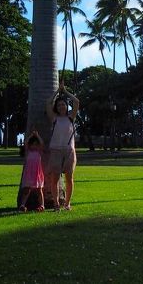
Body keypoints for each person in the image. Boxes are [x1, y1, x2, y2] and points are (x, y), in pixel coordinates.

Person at [46, 80, 79, 211]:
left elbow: (76, 102)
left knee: (69, 178)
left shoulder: (71, 117)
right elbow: (48, 103)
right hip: (55, 151)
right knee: (54, 179)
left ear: (66, 106)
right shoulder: (54, 118)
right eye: (59, 105)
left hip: (69, 151)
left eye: (63, 105)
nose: (61, 107)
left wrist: (64, 91)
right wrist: (57, 92)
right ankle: (56, 204)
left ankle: (67, 203)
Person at [18, 131, 45, 212]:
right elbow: (26, 143)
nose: (34, 146)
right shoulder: (28, 152)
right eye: (33, 144)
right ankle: (22, 205)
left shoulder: (39, 152)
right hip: (29, 174)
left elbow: (42, 143)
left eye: (36, 144)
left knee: (39, 190)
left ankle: (42, 205)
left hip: (37, 173)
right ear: (30, 145)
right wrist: (31, 136)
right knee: (27, 190)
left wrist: (37, 135)